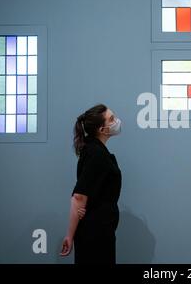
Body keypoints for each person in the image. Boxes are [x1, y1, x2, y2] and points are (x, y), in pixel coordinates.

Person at [60, 104, 122, 264]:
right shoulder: (96, 154)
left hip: (100, 232)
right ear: (102, 129)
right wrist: (70, 236)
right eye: (111, 119)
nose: (116, 121)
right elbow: (79, 197)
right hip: (95, 236)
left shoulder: (96, 150)